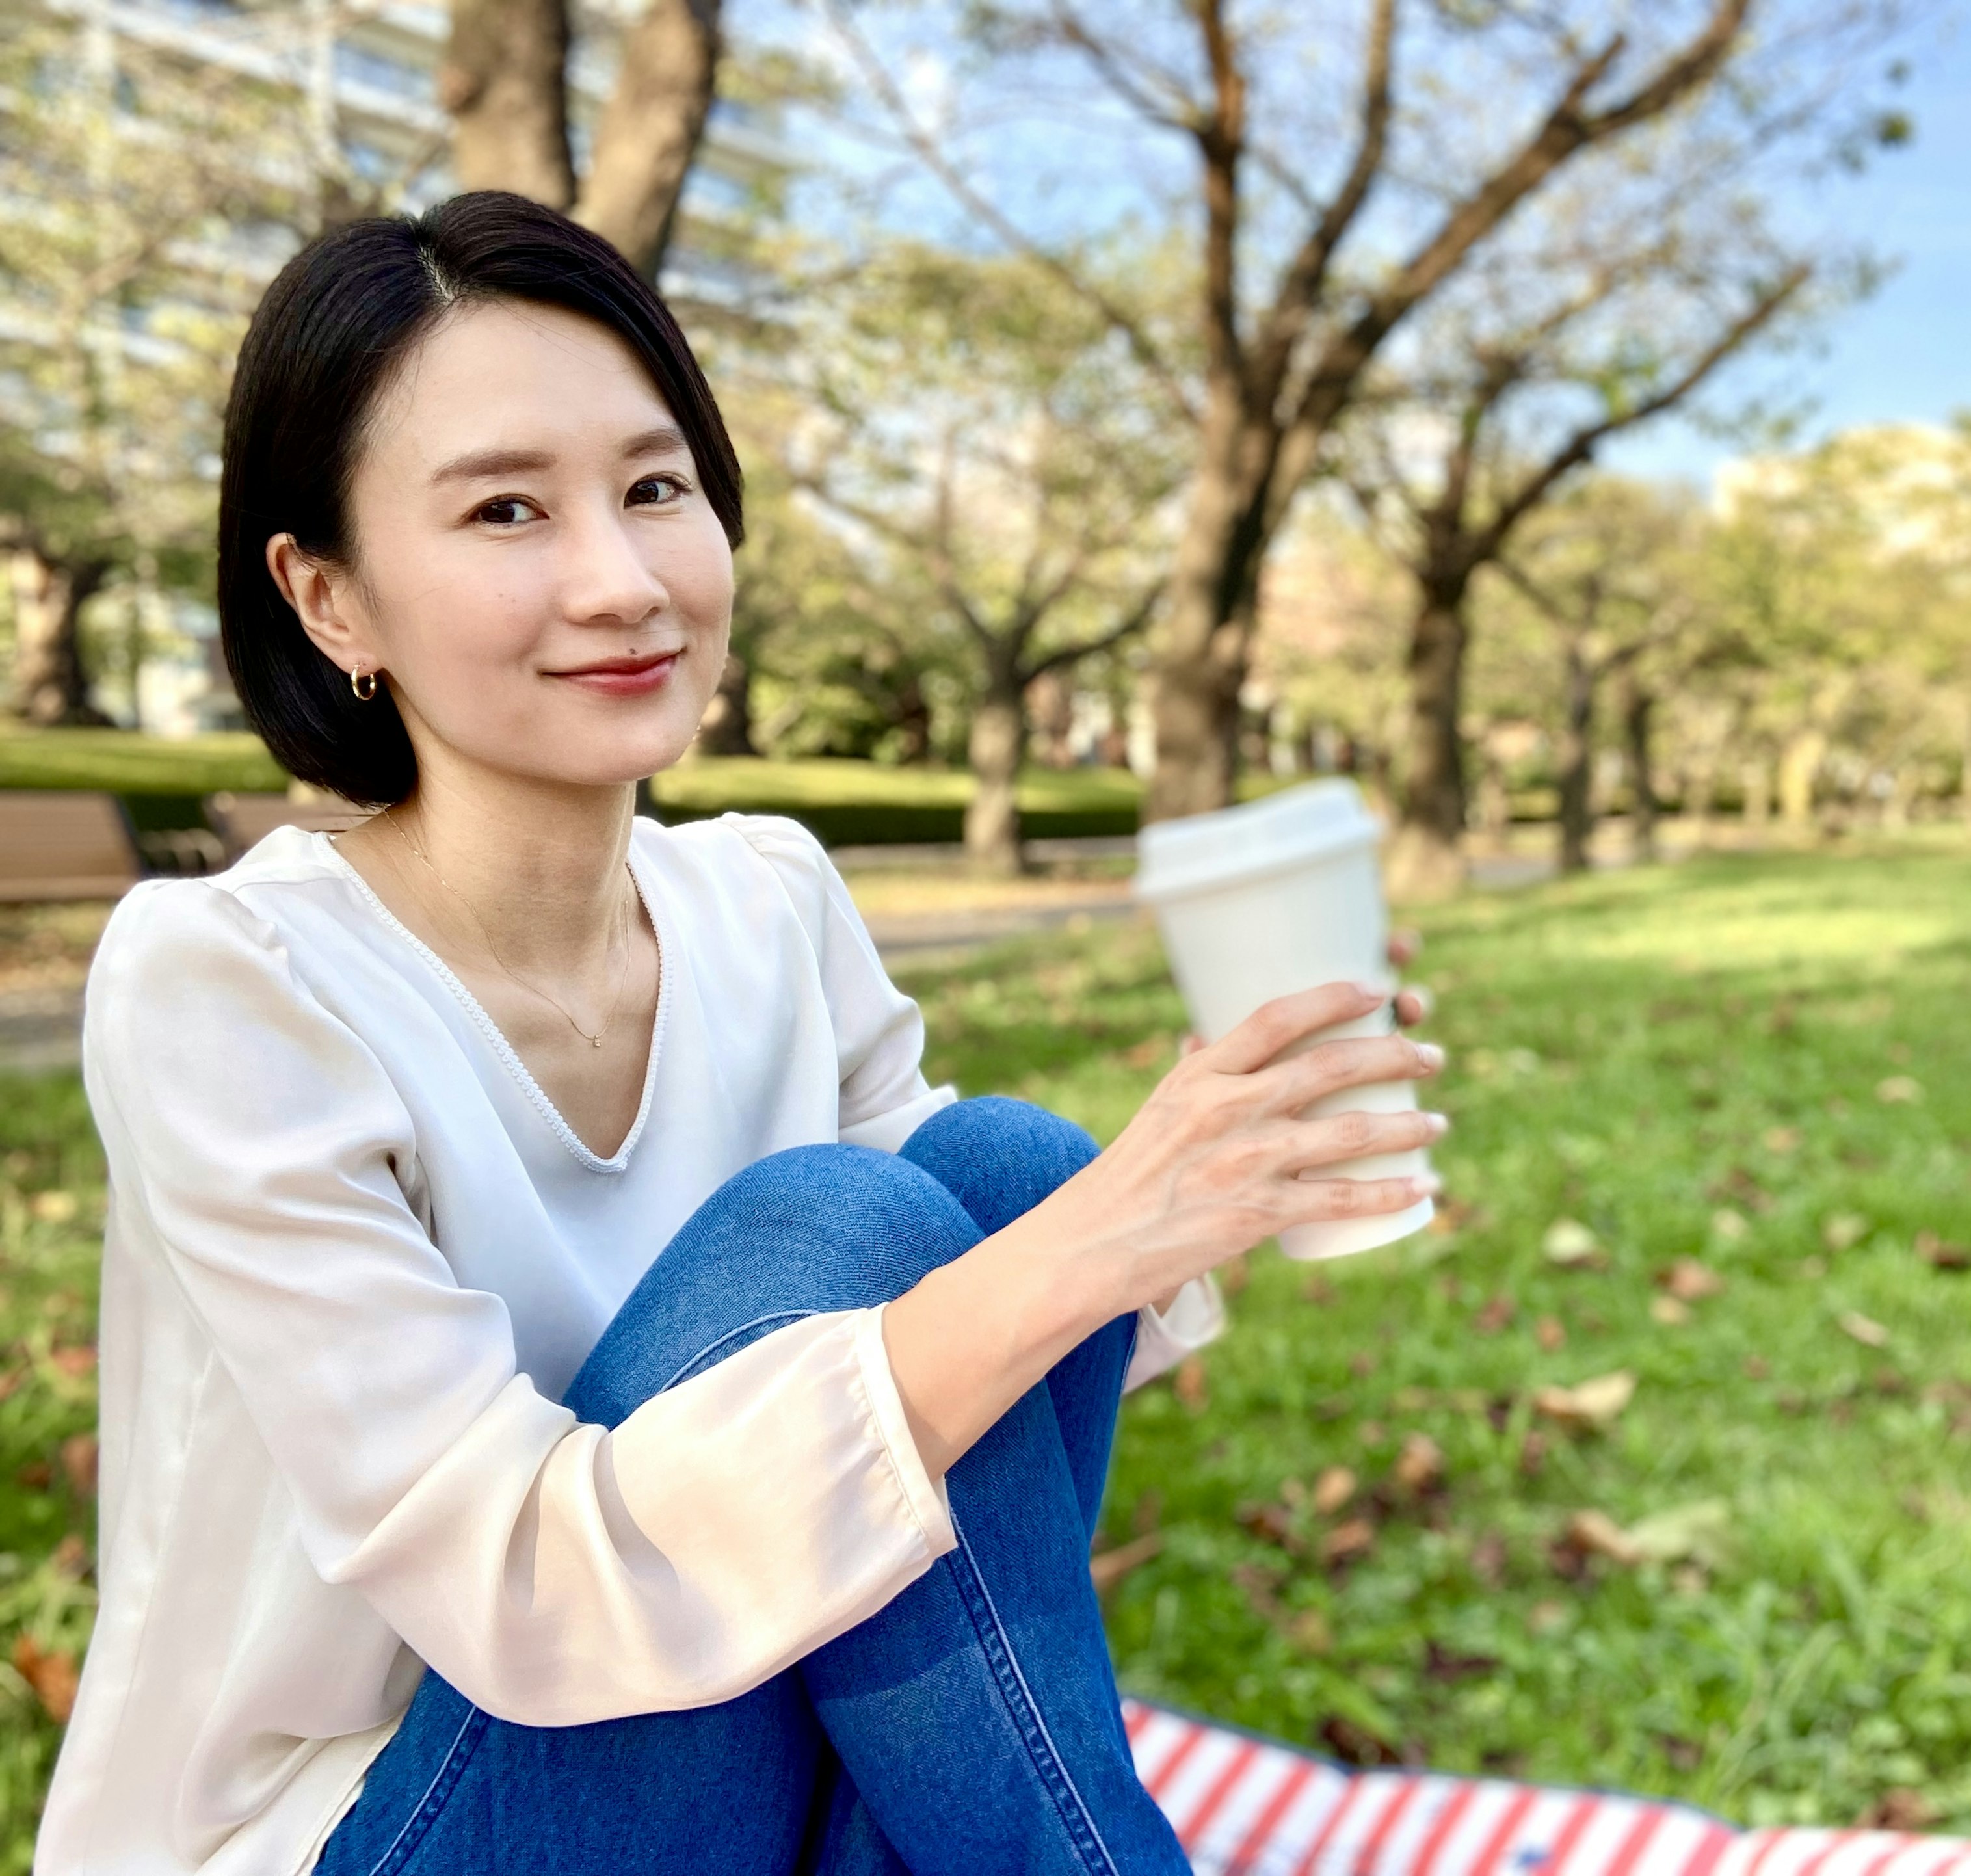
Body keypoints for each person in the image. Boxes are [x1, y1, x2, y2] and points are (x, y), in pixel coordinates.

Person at [40, 192, 1444, 1876]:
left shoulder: (766, 896)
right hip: (378, 1814)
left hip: (742, 1756)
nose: (620, 580)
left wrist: (1232, 1149)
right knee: (836, 1232)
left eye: (655, 489)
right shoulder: (228, 980)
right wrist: (1097, 1242)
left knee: (997, 1171)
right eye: (505, 509)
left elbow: (1005, 1363)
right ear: (329, 596)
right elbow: (528, 1589)